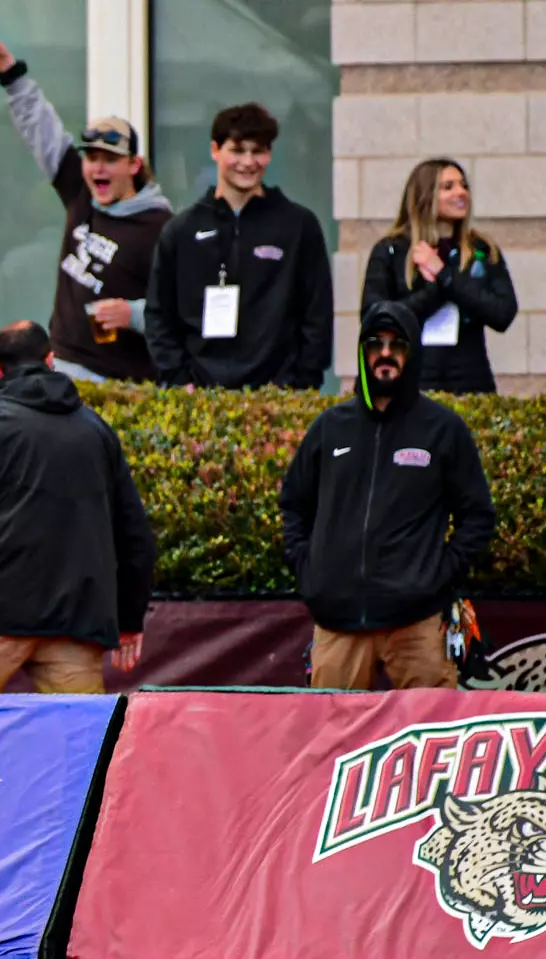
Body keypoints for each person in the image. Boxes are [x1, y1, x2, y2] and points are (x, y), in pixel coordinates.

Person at [0, 320, 155, 695]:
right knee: (80, 733)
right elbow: (135, 534)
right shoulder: (96, 431)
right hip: (75, 625)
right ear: (51, 360)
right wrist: (130, 619)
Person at [279, 301, 496, 690]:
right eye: (375, 344)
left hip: (417, 626)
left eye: (397, 345)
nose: (385, 353)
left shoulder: (443, 429)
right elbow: (294, 504)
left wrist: (437, 574)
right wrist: (309, 569)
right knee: (332, 726)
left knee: (432, 727)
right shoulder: (330, 428)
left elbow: (478, 515)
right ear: (362, 352)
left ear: (412, 353)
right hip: (338, 623)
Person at [0, 24, 171, 384]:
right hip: (62, 369)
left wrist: (134, 314)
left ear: (134, 165)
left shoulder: (159, 226)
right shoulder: (82, 192)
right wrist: (6, 64)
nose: (98, 168)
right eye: (92, 158)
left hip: (120, 383)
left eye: (110, 159)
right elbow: (41, 129)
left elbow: (185, 311)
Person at [145, 102, 333, 390]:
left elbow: (317, 314)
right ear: (215, 150)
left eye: (257, 151)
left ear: (269, 154)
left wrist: (300, 383)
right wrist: (178, 380)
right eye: (237, 150)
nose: (248, 162)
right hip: (199, 395)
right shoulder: (181, 230)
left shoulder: (299, 226)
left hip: (277, 395)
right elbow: (159, 313)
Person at [361, 158, 517, 395]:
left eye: (464, 186)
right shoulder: (392, 250)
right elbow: (375, 318)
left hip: (469, 382)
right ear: (425, 195)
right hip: (410, 380)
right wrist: (433, 291)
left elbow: (502, 313)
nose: (461, 192)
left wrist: (445, 275)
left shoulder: (480, 249)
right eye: (448, 187)